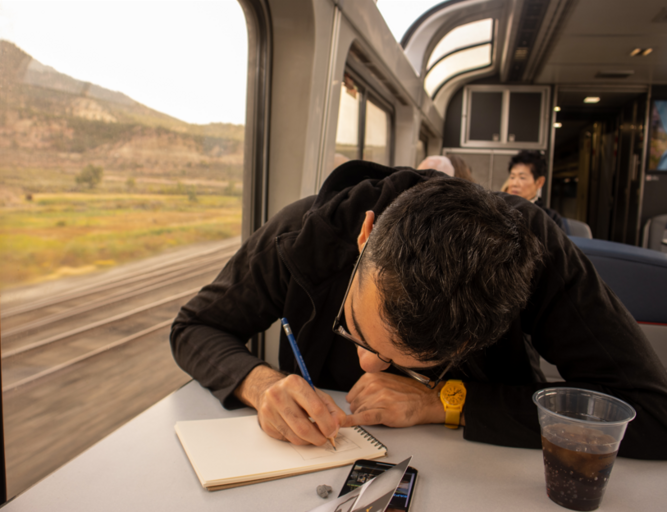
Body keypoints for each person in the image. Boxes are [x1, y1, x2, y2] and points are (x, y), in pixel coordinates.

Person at [170, 160, 667, 460]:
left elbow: (653, 412)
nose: (368, 365)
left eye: (407, 359)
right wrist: (260, 385)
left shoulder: (538, 257)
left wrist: (445, 402)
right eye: (355, 330)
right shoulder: (306, 233)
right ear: (365, 239)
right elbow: (196, 326)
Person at [506, 150, 566, 230]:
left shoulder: (551, 218)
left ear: (539, 182)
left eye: (522, 177)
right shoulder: (500, 211)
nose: (514, 183)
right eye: (512, 177)